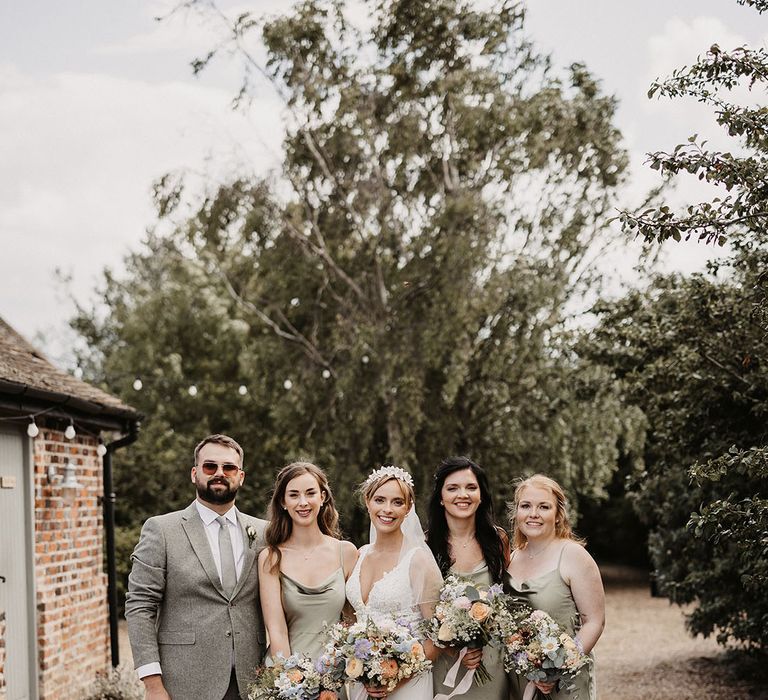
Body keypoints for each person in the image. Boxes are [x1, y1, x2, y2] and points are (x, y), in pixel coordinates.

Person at [125, 434, 267, 700]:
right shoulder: (162, 530)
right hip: (184, 683)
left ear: (241, 476)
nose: (219, 474)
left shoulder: (264, 532)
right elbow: (140, 606)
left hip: (252, 683)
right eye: (210, 466)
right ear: (194, 473)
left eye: (229, 468)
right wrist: (152, 684)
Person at [345, 465, 443, 700]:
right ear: (367, 501)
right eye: (380, 500)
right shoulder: (360, 554)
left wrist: (396, 676)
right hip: (363, 683)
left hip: (407, 685)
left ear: (408, 508)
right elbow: (351, 619)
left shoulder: (418, 560)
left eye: (397, 502)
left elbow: (438, 639)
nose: (387, 509)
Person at [505, 475, 604, 700]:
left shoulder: (573, 556)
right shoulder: (511, 558)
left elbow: (595, 622)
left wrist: (556, 668)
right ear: (516, 512)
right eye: (526, 506)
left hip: (563, 681)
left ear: (558, 515)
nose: (533, 514)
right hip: (519, 678)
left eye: (544, 507)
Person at [426, 457, 510, 700]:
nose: (462, 494)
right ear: (441, 498)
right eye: (453, 488)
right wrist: (453, 648)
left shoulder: (499, 540)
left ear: (481, 495)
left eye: (471, 487)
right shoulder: (425, 547)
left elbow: (507, 599)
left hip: (491, 661)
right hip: (446, 664)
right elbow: (421, 613)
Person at [258, 462, 357, 663]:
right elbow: (277, 631)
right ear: (283, 502)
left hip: (334, 673)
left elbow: (354, 622)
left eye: (310, 493)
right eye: (294, 495)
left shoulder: (346, 552)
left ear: (322, 497)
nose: (303, 502)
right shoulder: (271, 558)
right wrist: (292, 683)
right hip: (286, 673)